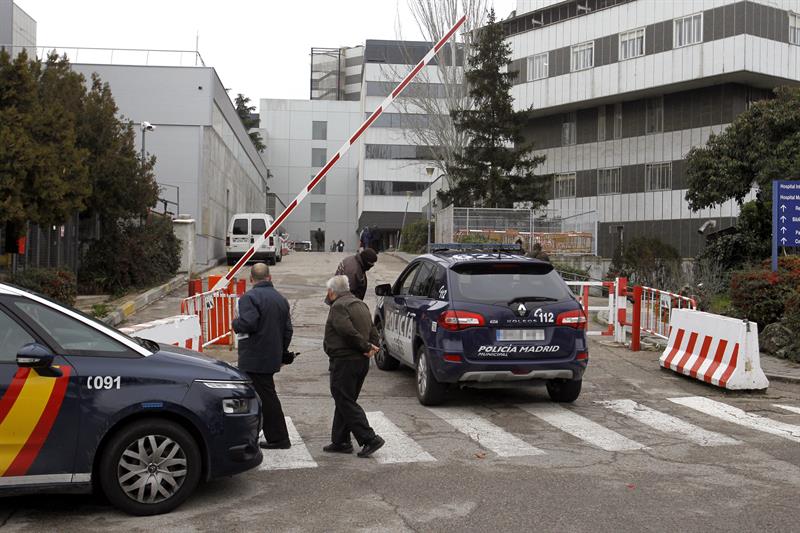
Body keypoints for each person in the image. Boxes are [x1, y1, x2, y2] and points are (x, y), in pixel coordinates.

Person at [232, 263, 293, 450]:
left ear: (251, 279)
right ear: (269, 277)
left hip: (254, 358)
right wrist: (281, 352)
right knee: (263, 396)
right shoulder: (281, 299)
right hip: (271, 356)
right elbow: (288, 330)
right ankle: (264, 435)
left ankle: (278, 438)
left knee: (262, 398)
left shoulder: (249, 298)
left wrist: (236, 323)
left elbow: (249, 323)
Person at [322, 275, 385, 458]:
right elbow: (372, 328)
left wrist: (367, 347)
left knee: (345, 400)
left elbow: (347, 331)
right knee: (345, 399)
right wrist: (373, 346)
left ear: (332, 292)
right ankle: (340, 441)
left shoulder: (339, 306)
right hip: (360, 361)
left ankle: (369, 438)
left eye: (329, 291)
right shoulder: (360, 304)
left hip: (345, 361)